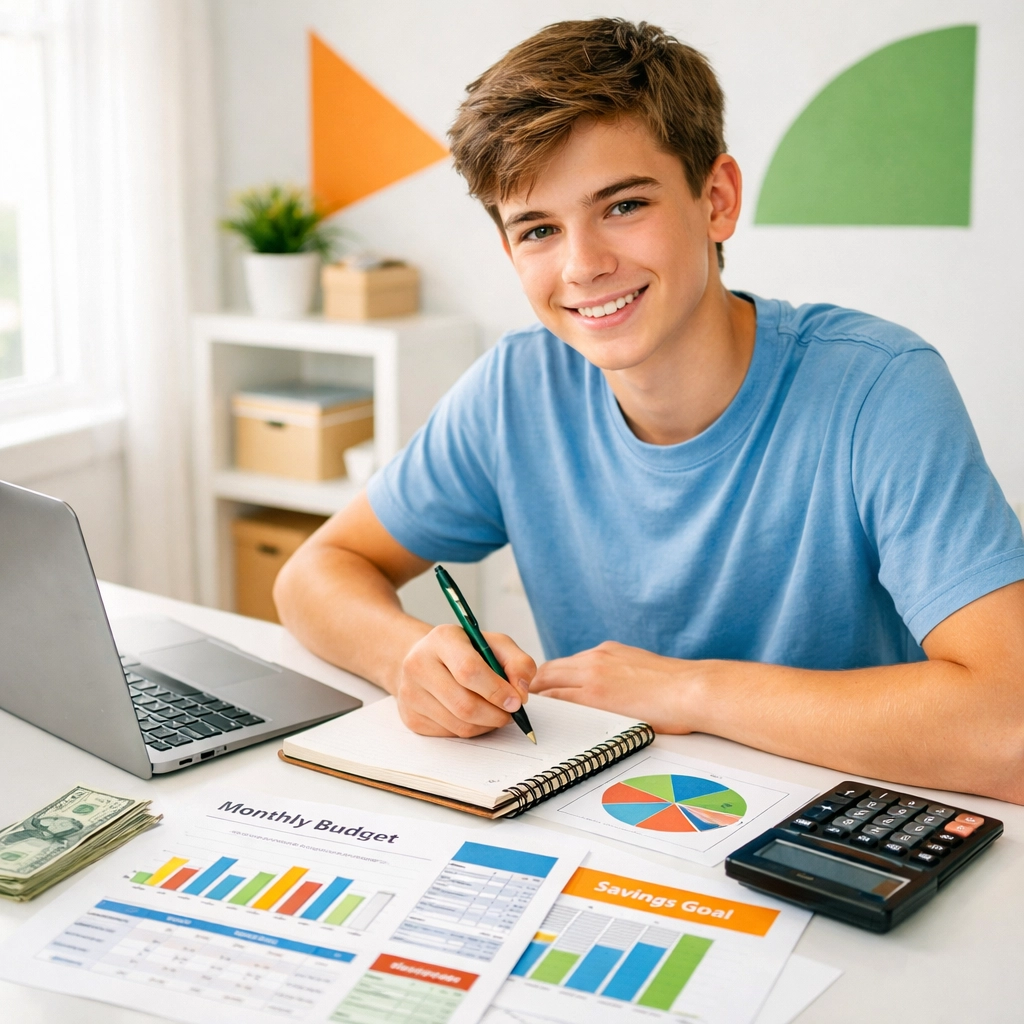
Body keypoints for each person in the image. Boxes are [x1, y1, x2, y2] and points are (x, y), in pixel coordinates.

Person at [275, 18, 1024, 803]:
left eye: (624, 205)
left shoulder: (878, 388)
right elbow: (313, 575)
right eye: (538, 228)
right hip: (618, 825)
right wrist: (409, 658)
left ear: (718, 200)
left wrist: (689, 692)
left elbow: (1008, 726)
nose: (584, 265)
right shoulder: (515, 391)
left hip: (842, 828)